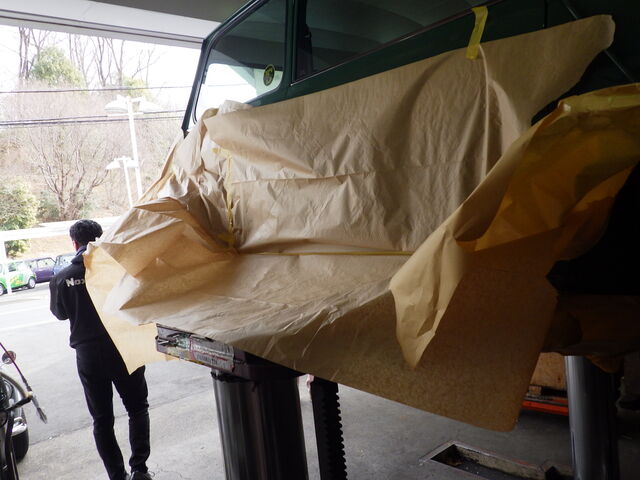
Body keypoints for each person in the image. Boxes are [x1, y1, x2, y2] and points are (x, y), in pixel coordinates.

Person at [50, 220, 152, 480]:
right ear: (100, 238)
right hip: (123, 347)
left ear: (74, 242)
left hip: (88, 355)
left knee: (102, 419)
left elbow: (60, 313)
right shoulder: (119, 270)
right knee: (137, 408)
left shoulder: (61, 278)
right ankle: (139, 469)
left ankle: (117, 475)